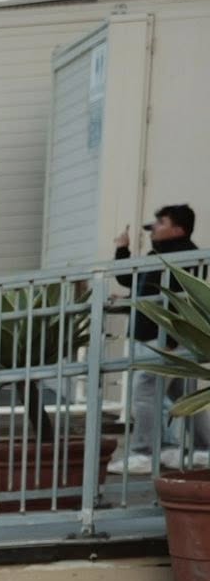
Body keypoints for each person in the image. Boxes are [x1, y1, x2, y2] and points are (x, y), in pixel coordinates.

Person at [110, 204, 208, 475]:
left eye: (161, 222)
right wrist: (122, 250)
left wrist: (172, 340)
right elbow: (130, 280)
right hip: (159, 338)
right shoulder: (160, 256)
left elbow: (183, 300)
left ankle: (144, 453)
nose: (154, 228)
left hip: (165, 339)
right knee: (185, 395)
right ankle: (201, 450)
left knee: (145, 392)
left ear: (178, 229)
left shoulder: (185, 257)